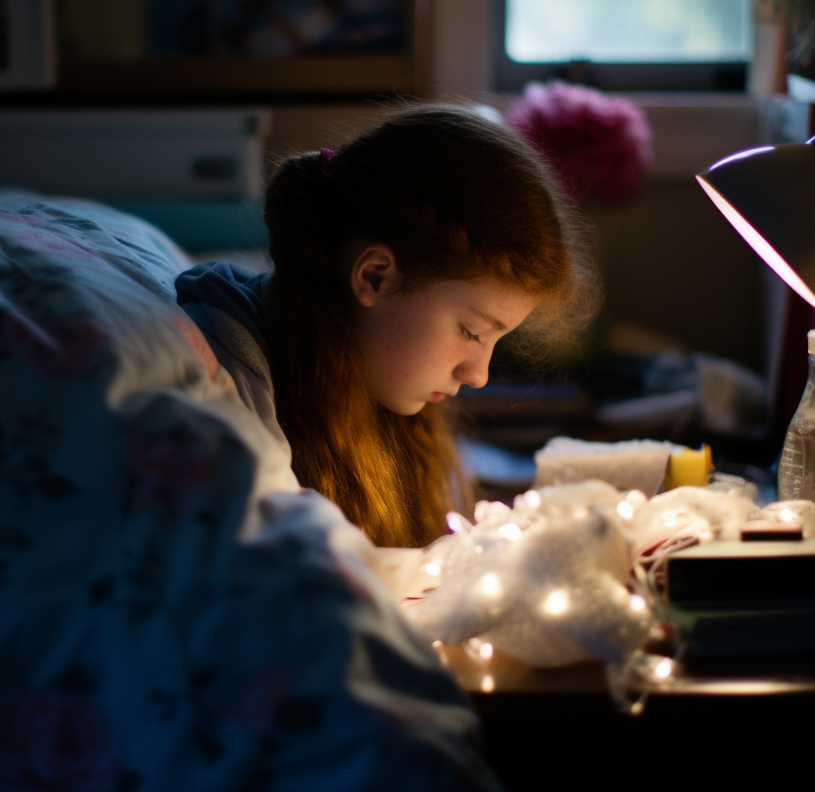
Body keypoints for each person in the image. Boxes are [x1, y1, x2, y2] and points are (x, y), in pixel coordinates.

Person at [177, 105, 597, 548]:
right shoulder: (228, 408)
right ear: (375, 275)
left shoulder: (368, 376)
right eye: (472, 332)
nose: (478, 375)